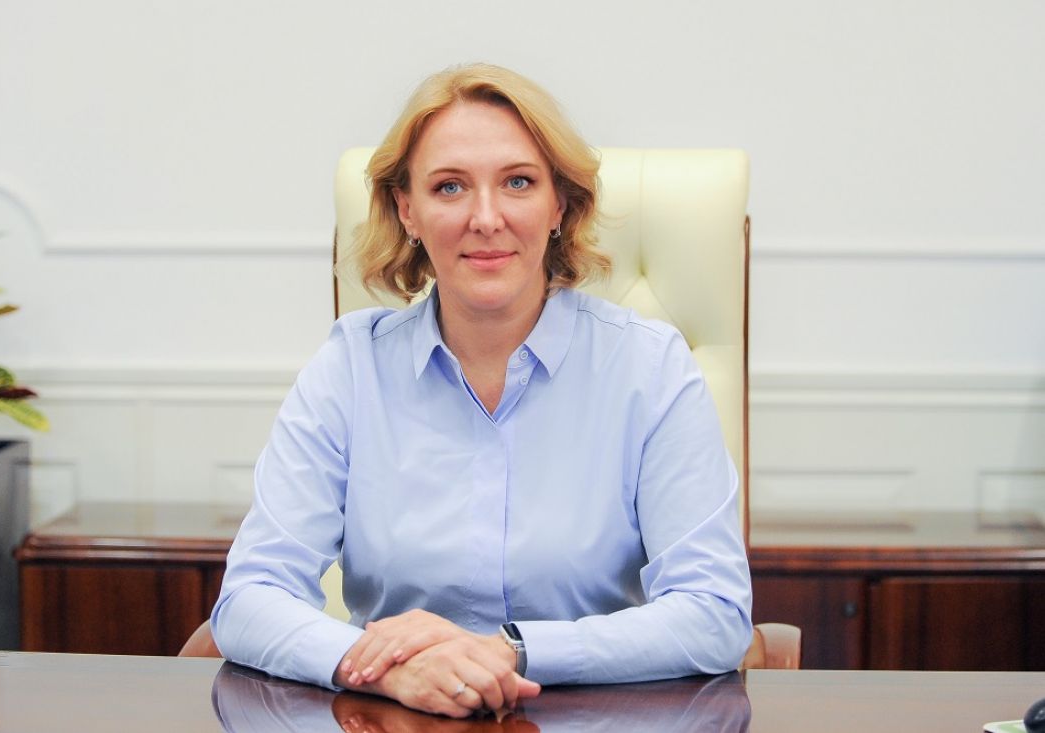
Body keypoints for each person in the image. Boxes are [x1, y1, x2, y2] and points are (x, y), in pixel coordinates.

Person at [211, 62, 752, 718]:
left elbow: (714, 613)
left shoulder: (651, 367)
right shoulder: (350, 368)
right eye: (450, 187)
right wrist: (386, 667)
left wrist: (509, 650)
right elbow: (249, 598)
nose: (486, 218)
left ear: (559, 204)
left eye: (518, 182)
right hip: (394, 716)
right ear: (407, 210)